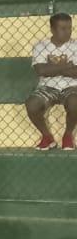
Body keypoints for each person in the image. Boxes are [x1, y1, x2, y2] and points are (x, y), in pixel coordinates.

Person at [25, 12, 77, 151]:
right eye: (63, 28)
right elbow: (41, 71)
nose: (68, 31)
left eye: (70, 28)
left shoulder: (76, 45)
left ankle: (68, 136)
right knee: (32, 104)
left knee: (75, 102)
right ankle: (47, 137)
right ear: (53, 29)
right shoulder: (40, 46)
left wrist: (52, 68)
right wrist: (67, 66)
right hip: (47, 87)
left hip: (72, 86)